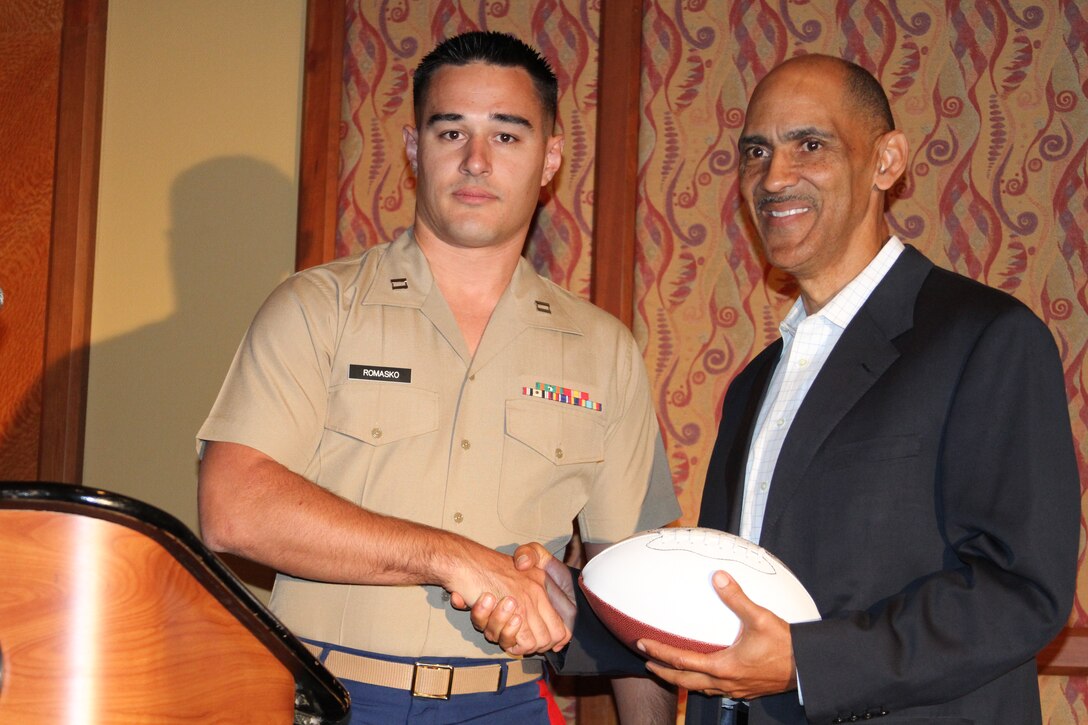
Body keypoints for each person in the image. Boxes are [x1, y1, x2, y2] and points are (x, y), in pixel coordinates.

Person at [470, 53, 1079, 724]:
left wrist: (805, 662)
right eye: (755, 152)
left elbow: (1019, 592)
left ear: (887, 161)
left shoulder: (986, 338)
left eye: (809, 145)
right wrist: (578, 614)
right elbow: (734, 606)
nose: (773, 177)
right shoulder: (758, 379)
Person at [196, 31, 680, 725]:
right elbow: (233, 509)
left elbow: (633, 584)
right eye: (451, 130)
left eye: (508, 136)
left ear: (550, 160)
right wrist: (454, 558)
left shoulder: (605, 350)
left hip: (509, 703)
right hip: (322, 696)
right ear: (415, 148)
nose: (476, 160)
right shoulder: (316, 308)